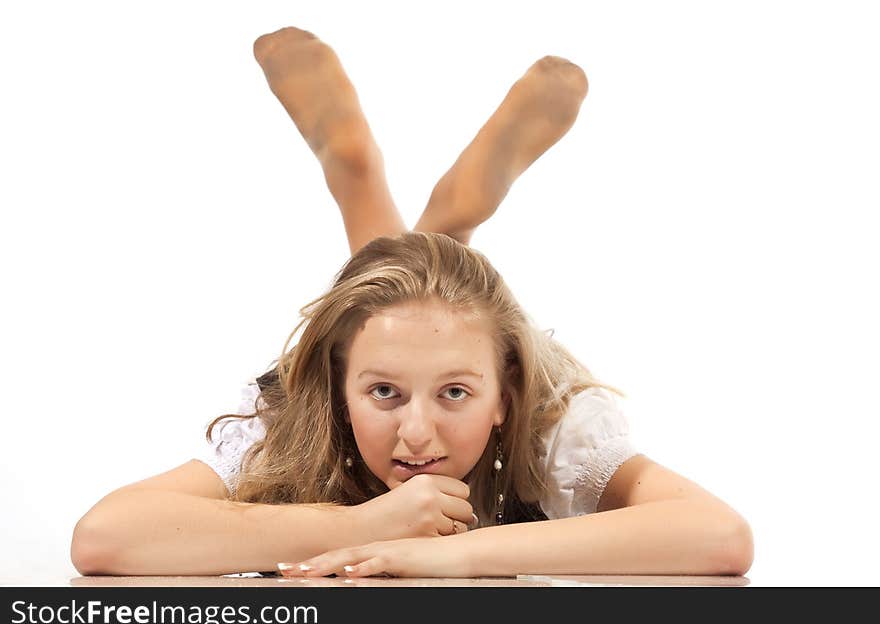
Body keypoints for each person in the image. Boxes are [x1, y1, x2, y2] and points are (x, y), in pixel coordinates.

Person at [70, 26, 753, 579]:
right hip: (407, 341)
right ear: (338, 390)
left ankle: (363, 173)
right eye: (384, 393)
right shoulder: (296, 414)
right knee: (408, 307)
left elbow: (720, 536)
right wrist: (361, 524)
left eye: (455, 393)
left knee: (414, 308)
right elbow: (105, 537)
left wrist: (453, 552)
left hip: (480, 350)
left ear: (504, 397)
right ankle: (367, 173)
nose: (417, 433)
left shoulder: (547, 420)